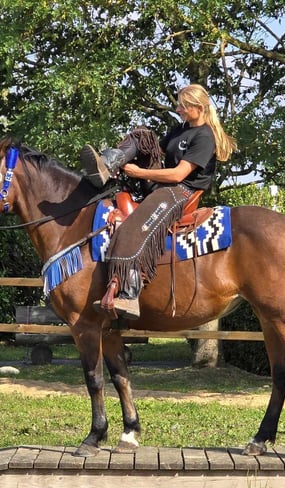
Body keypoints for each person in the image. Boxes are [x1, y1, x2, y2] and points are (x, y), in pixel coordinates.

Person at [80, 84, 237, 320]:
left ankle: (128, 293)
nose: (178, 109)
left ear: (197, 107)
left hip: (181, 192)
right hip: (164, 185)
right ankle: (106, 165)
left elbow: (178, 175)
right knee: (143, 135)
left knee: (135, 226)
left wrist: (138, 173)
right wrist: (124, 163)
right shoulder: (180, 129)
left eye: (182, 106)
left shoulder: (204, 137)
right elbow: (154, 151)